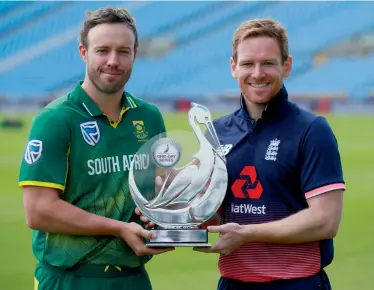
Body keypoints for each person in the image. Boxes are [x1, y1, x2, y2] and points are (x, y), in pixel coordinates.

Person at [138, 18, 345, 290]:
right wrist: (172, 201)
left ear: (287, 66)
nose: (257, 73)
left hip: (296, 282)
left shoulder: (312, 130)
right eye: (248, 63)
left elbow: (325, 221)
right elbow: (212, 213)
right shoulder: (216, 133)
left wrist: (247, 234)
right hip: (234, 283)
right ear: (233, 67)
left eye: (268, 63)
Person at [18, 7, 173, 290]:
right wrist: (118, 228)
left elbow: (158, 190)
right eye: (103, 50)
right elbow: (38, 211)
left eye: (123, 51)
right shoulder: (55, 119)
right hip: (70, 279)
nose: (113, 61)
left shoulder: (149, 117)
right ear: (83, 52)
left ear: (134, 55)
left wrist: (165, 215)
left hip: (133, 279)